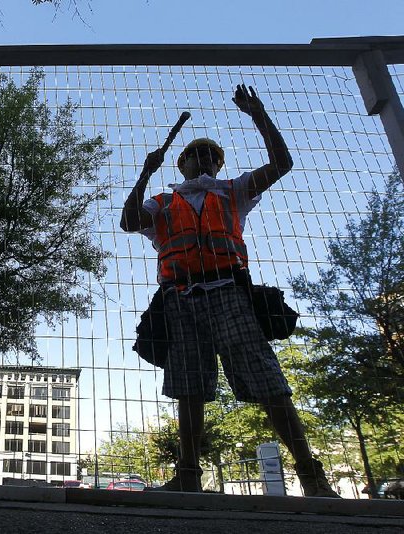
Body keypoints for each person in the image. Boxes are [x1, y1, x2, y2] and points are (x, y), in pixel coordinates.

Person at [120, 85, 339, 498]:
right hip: (179, 299)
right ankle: (187, 475)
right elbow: (128, 222)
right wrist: (146, 171)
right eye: (197, 154)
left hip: (228, 293)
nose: (205, 159)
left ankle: (312, 476)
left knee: (267, 377)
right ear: (181, 163)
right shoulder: (163, 202)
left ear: (219, 166)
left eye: (212, 156)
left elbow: (281, 163)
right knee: (188, 385)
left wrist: (258, 115)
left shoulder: (232, 192)